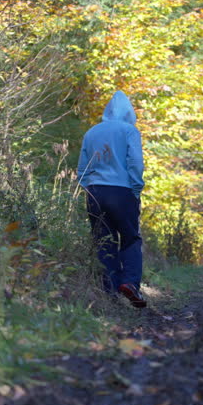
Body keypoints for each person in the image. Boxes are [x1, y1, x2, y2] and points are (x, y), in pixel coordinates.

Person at [77, 90, 146, 308]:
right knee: (130, 238)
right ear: (129, 112)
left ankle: (109, 294)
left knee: (103, 241)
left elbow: (82, 169)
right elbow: (135, 162)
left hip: (95, 192)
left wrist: (88, 188)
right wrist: (136, 189)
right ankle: (130, 283)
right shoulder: (129, 131)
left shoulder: (92, 132)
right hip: (122, 191)